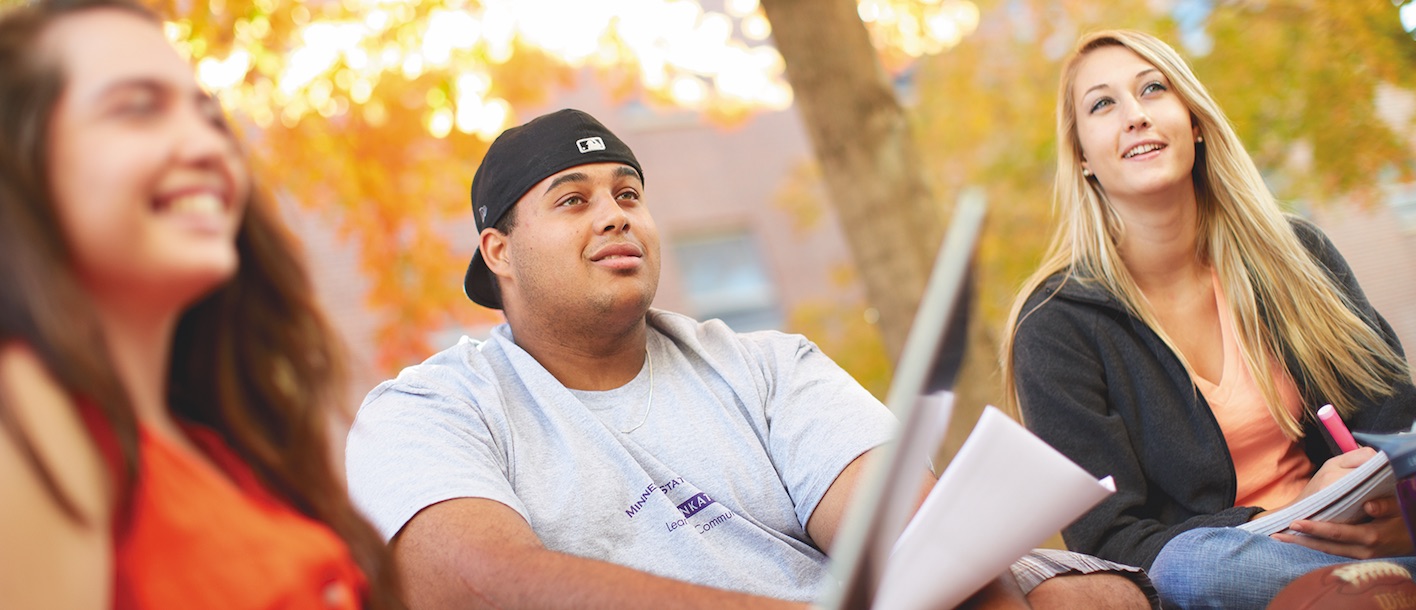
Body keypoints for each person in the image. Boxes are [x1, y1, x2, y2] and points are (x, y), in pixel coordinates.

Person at [345, 107, 1158, 610]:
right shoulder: (427, 411)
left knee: (1111, 594)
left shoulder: (767, 364)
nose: (617, 216)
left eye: (629, 194)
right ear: (500, 253)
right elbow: (474, 586)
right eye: (574, 200)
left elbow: (902, 540)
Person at [1000, 29, 1416, 609]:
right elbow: (1111, 539)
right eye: (1103, 104)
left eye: (1153, 89)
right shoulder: (1055, 327)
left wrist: (1407, 513)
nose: (1135, 115)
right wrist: (1288, 520)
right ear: (1082, 156)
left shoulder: (1295, 255)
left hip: (1377, 543)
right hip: (1234, 575)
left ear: (1195, 121)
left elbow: (1402, 419)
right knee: (1190, 566)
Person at [0, 1, 402, 607]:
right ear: (21, 163)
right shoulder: (30, 415)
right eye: (137, 109)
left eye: (211, 119)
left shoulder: (223, 444)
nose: (207, 146)